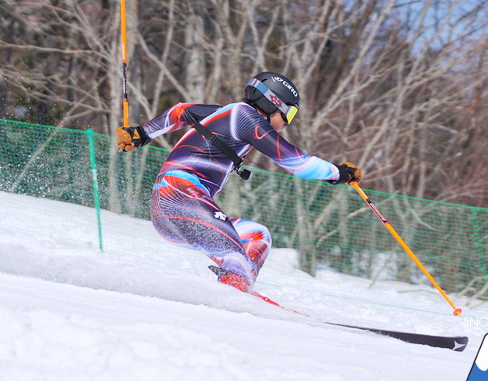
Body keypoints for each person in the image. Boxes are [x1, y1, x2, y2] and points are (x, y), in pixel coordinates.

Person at [117, 72, 361, 294]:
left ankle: (238, 285)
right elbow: (297, 163)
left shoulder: (226, 113)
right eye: (290, 113)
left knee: (258, 236)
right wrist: (338, 172)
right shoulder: (246, 118)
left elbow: (181, 111)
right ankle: (234, 284)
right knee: (233, 254)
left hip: (172, 210)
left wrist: (143, 132)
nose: (287, 122)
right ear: (273, 102)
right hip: (180, 195)